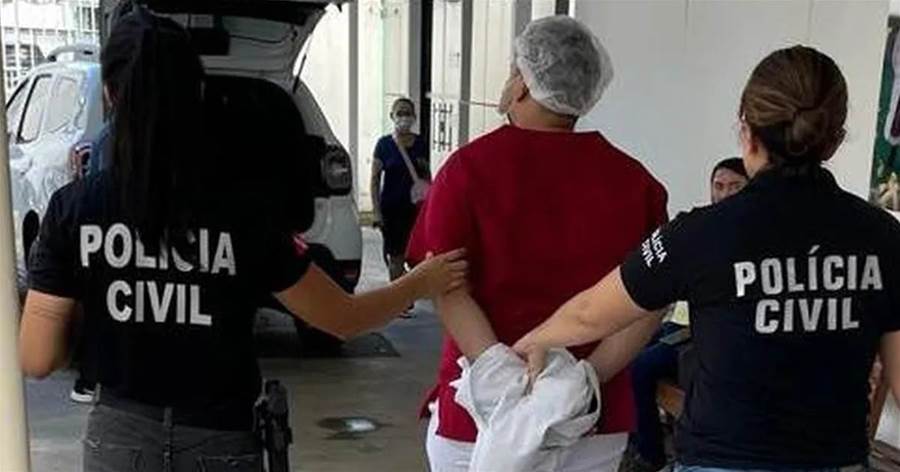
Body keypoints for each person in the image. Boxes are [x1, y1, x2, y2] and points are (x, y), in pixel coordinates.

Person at [17, 10, 466, 472]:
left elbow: (36, 356)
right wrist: (419, 282)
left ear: (110, 95)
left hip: (118, 441)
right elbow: (341, 319)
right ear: (197, 93)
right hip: (219, 440)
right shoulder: (244, 212)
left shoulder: (73, 210)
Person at [515, 45, 898, 472]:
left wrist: (531, 342)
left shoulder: (700, 233)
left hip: (721, 459)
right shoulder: (883, 236)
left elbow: (590, 314)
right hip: (834, 462)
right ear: (833, 141)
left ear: (746, 131)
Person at [407, 16, 668, 472]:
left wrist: (503, 379)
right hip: (589, 422)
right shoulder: (635, 184)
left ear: (524, 82)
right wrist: (583, 380)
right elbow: (649, 301)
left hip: (480, 418)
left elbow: (445, 285)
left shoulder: (467, 170)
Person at [623, 158, 748, 472]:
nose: (725, 194)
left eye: (735, 186)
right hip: (677, 322)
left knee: (641, 366)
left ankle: (650, 454)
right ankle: (635, 438)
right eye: (719, 186)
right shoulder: (698, 229)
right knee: (625, 350)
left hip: (701, 336)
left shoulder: (752, 237)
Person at [371, 98, 431, 283]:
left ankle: (410, 290)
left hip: (415, 211)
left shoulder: (421, 143)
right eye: (400, 113)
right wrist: (376, 212)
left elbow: (427, 178)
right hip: (392, 210)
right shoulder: (384, 145)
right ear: (392, 116)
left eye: (408, 113)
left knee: (415, 256)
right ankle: (398, 295)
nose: (404, 117)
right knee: (395, 257)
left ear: (414, 117)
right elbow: (374, 180)